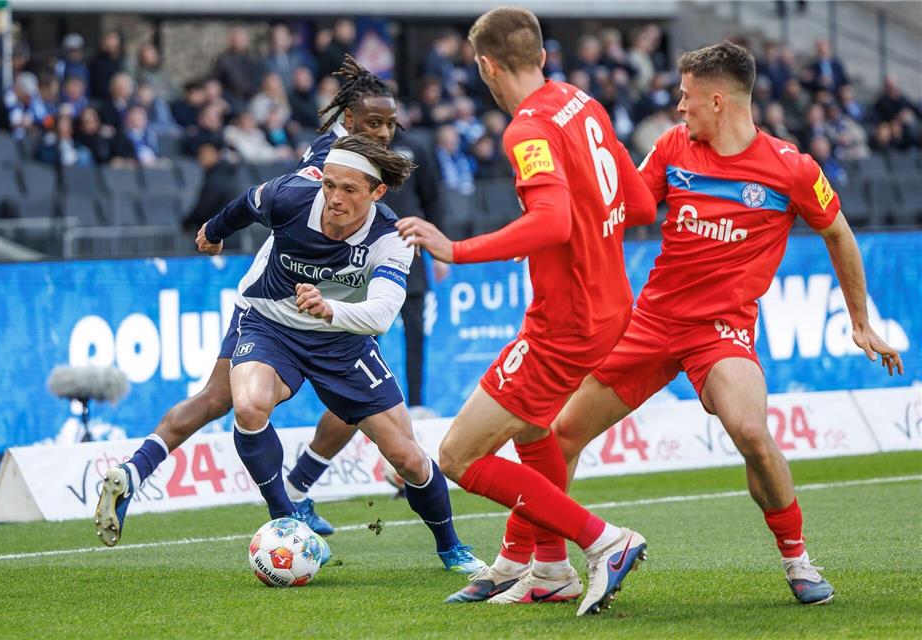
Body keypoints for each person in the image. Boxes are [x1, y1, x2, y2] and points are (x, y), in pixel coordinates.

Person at [485, 41, 905, 609]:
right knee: (560, 433)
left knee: (752, 434)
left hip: (722, 331)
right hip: (650, 322)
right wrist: (549, 229)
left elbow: (839, 234)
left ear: (716, 100)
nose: (678, 108)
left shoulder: (792, 168)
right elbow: (623, 206)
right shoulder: (671, 148)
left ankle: (798, 559)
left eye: (685, 97)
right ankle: (538, 564)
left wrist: (860, 321)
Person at [94, 56, 484, 574]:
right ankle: (288, 515)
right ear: (345, 126)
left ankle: (447, 546)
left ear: (377, 190)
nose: (384, 133)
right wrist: (212, 231)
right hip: (272, 313)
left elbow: (380, 314)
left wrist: (330, 308)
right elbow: (248, 203)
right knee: (242, 404)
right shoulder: (310, 178)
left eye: (390, 124)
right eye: (373, 124)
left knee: (408, 456)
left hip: (341, 330)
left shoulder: (391, 229)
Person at [396, 8, 657, 615]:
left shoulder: (527, 130)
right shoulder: (583, 101)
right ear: (540, 54)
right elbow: (641, 204)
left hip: (566, 322)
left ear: (486, 65)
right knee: (535, 430)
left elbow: (553, 220)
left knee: (459, 455)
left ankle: (604, 542)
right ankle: (549, 567)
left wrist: (455, 249)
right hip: (610, 305)